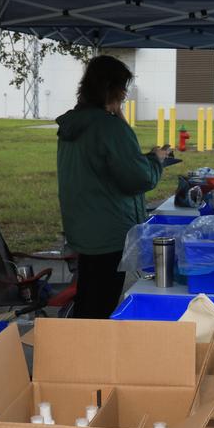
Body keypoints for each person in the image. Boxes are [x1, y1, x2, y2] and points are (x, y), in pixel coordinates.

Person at [56, 55, 168, 318]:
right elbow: (139, 178)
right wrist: (156, 159)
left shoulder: (73, 125)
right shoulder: (109, 127)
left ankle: (75, 351)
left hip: (82, 229)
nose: (125, 95)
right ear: (113, 89)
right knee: (100, 307)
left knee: (87, 300)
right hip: (109, 234)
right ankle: (89, 356)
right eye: (123, 90)